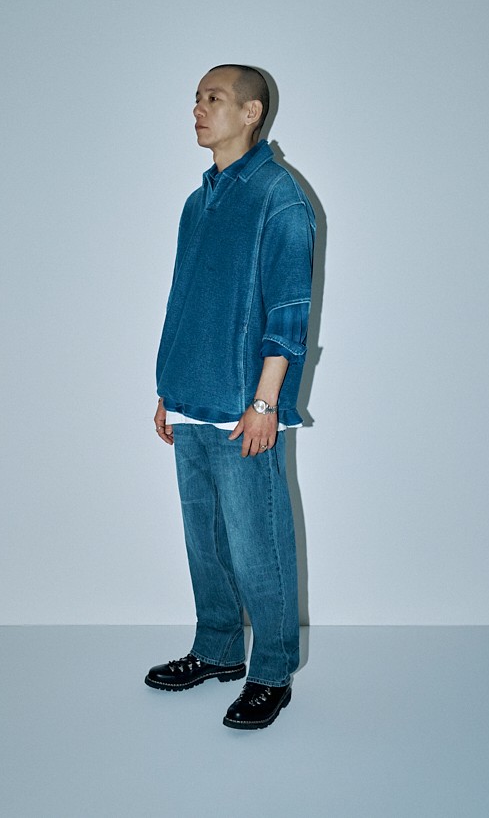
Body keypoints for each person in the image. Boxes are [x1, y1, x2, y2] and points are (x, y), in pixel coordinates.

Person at [145, 64, 315, 730]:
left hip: (246, 406)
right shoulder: (199, 202)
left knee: (258, 544)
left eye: (212, 98)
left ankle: (271, 671)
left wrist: (266, 402)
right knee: (206, 540)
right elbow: (183, 298)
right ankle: (217, 648)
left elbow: (289, 312)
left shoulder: (280, 197)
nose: (197, 108)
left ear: (251, 112)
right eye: (195, 98)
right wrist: (168, 387)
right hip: (191, 397)